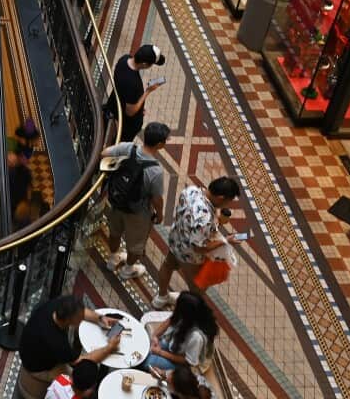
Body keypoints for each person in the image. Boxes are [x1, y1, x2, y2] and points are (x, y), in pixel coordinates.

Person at [153, 176, 243, 309]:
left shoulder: (191, 190)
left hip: (176, 239)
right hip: (190, 256)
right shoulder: (204, 218)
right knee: (198, 289)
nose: (227, 205)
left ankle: (161, 298)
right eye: (228, 202)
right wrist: (225, 241)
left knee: (167, 266)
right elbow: (199, 248)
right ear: (221, 198)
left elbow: (190, 215)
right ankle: (185, 314)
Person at [17, 295, 122, 399]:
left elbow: (81, 311)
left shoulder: (56, 306)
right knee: (82, 377)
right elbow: (82, 363)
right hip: (36, 367)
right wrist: (109, 347)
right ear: (68, 320)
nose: (82, 319)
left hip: (28, 347)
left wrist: (100, 318)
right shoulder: (58, 344)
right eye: (79, 318)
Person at [101, 121, 168, 280]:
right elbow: (156, 198)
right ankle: (128, 270)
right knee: (136, 245)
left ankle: (112, 259)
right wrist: (160, 214)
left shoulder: (127, 148)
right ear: (159, 144)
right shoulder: (155, 171)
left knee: (115, 232)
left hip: (117, 202)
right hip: (137, 213)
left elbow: (104, 154)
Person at [141, 292, 218, 374]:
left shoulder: (196, 337)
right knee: (144, 347)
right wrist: (155, 336)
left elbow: (188, 361)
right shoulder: (189, 315)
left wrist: (160, 353)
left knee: (147, 362)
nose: (173, 307)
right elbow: (170, 320)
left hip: (182, 365)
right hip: (175, 346)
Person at [108, 43, 165, 143]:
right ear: (144, 64)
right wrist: (148, 91)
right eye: (151, 64)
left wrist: (140, 107)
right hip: (127, 123)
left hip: (114, 104)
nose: (150, 66)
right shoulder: (133, 83)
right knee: (120, 142)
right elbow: (130, 112)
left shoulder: (124, 59)